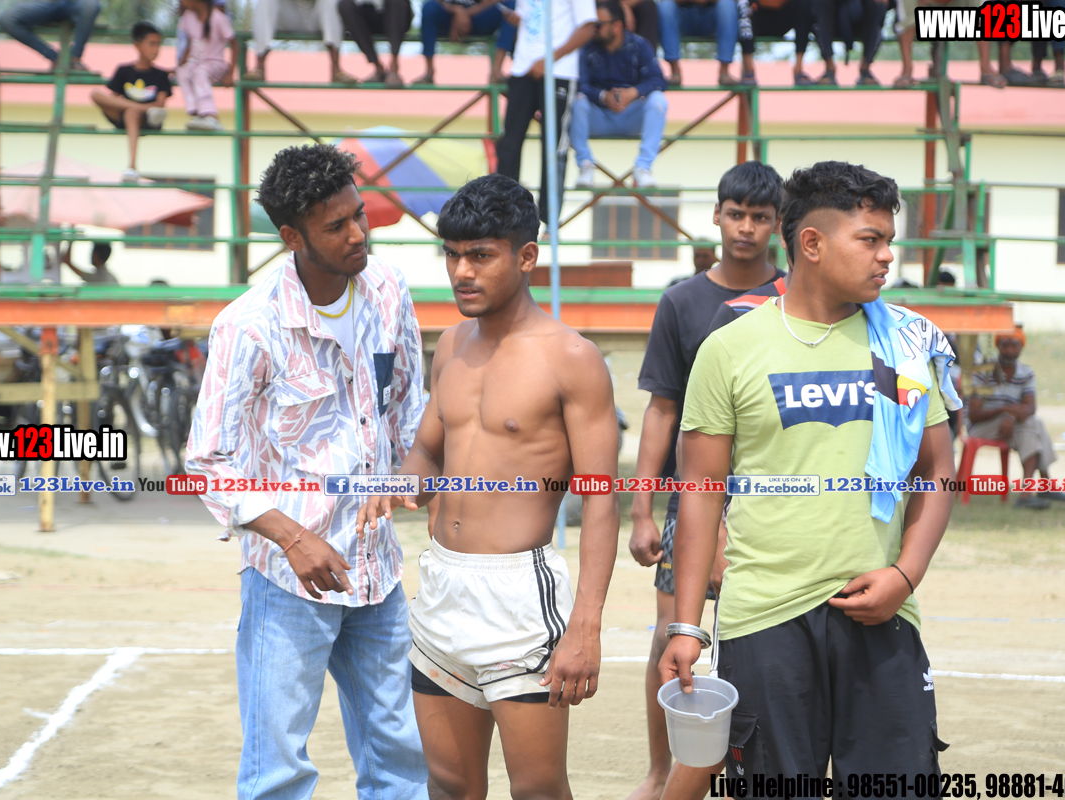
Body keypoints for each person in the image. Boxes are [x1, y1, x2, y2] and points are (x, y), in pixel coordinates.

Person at [661, 161, 959, 785]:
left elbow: (936, 471)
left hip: (880, 613)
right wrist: (686, 627)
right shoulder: (731, 348)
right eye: (870, 240)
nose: (887, 256)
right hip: (764, 620)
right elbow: (700, 495)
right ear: (813, 244)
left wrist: (905, 575)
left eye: (889, 241)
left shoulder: (904, 343)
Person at [356, 173, 620, 800]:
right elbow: (428, 449)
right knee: (448, 783)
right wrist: (402, 484)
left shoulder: (572, 358)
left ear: (526, 256)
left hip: (519, 596)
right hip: (442, 585)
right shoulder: (451, 344)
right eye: (452, 255)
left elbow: (600, 499)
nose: (461, 272)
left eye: (480, 255)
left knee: (537, 789)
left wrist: (586, 625)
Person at [184, 143, 428, 800]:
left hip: (378, 571)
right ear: (292, 237)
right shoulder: (249, 326)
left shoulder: (388, 290)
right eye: (336, 225)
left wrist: (411, 475)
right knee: (279, 770)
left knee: (401, 756)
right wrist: (293, 538)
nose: (358, 234)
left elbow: (409, 402)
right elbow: (207, 462)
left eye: (360, 215)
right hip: (288, 584)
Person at [626, 160, 785, 800]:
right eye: (736, 213)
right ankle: (661, 771)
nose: (746, 227)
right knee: (673, 635)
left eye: (760, 216)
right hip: (692, 500)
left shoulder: (796, 297)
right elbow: (662, 409)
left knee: (764, 639)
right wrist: (642, 509)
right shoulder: (682, 302)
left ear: (779, 224)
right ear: (716, 215)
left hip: (773, 502)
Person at [495, 0, 596, 223]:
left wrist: (550, 59)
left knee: (553, 146)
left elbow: (588, 27)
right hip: (522, 66)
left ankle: (548, 221)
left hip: (559, 70)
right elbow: (530, 17)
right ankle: (503, 215)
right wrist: (516, 19)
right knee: (509, 144)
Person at [966, 328, 1065, 510]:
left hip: (1014, 426)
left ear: (1021, 347)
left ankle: (1032, 491)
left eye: (1014, 345)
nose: (1009, 350)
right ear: (998, 346)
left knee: (1032, 425)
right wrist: (1006, 410)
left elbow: (1030, 408)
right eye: (1005, 345)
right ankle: (1042, 486)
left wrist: (1010, 416)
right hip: (981, 426)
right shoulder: (983, 372)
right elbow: (974, 414)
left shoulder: (1026, 372)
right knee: (1033, 425)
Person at [570, 0, 668, 190]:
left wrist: (633, 92)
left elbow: (658, 79)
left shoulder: (639, 44)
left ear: (617, 26)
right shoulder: (586, 46)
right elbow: (579, 84)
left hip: (630, 115)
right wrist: (602, 96)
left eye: (598, 25)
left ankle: (643, 168)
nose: (594, 29)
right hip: (597, 116)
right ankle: (585, 165)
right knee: (576, 101)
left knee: (658, 100)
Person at [91, 22, 171, 181]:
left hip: (148, 119)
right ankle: (138, 108)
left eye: (158, 44)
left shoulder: (161, 75)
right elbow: (112, 99)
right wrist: (141, 107)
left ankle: (132, 166)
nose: (156, 49)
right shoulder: (124, 70)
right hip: (128, 114)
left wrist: (136, 109)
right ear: (138, 45)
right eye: (152, 44)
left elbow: (160, 105)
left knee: (132, 112)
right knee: (96, 94)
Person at [249, 0, 353, 83]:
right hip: (289, 15)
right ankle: (259, 67)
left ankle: (336, 69)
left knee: (331, 1)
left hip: (316, 16)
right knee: (265, 1)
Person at [417, 0, 517, 85]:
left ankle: (496, 72)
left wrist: (466, 13)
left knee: (511, 7)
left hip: (480, 16)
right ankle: (429, 72)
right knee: (429, 7)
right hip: (449, 18)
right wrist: (456, 10)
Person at [177, 0, 236, 132]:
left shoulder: (218, 17)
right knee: (182, 72)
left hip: (215, 64)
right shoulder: (188, 17)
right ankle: (195, 112)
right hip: (196, 63)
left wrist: (231, 72)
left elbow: (234, 44)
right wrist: (180, 66)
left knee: (199, 73)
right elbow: (189, 43)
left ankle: (211, 115)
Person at [0, 0, 100, 72]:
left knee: (90, 5)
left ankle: (74, 58)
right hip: (44, 4)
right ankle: (55, 58)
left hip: (75, 4)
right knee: (7, 18)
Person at [657, 0, 739, 86]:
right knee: (666, 6)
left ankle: (724, 71)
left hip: (711, 17)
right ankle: (675, 71)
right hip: (682, 18)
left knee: (727, 5)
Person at [734, 0, 813, 85]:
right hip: (756, 18)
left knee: (804, 3)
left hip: (781, 20)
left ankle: (798, 69)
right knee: (743, 3)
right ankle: (748, 69)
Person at [337, 0, 414, 87]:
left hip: (394, 15)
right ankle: (378, 66)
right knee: (346, 5)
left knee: (397, 2)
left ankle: (394, 66)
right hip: (367, 15)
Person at [813, 0, 889, 85]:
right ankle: (829, 68)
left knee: (877, 4)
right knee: (821, 3)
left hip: (860, 17)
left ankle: (865, 68)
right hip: (833, 18)